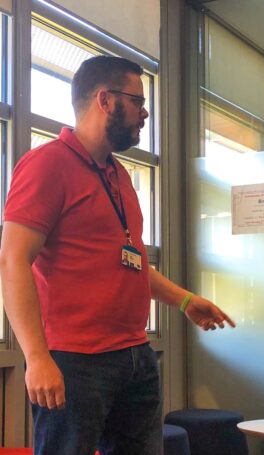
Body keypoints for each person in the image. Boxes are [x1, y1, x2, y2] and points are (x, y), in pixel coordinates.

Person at [0, 56, 235, 455]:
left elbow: (131, 261)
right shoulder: (47, 165)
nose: (145, 113)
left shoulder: (119, 174)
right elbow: (12, 261)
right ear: (105, 100)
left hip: (135, 356)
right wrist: (37, 357)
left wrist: (184, 300)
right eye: (137, 101)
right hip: (75, 362)